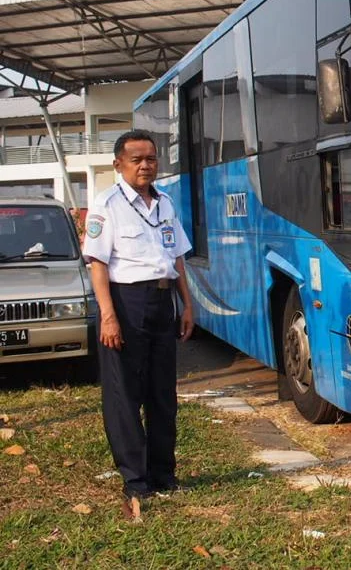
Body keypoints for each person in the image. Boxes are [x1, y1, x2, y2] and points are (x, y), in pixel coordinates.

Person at [83, 130, 194, 520]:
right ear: (118, 165)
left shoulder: (164, 203)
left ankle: (164, 473)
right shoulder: (106, 205)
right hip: (125, 304)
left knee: (163, 391)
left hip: (162, 301)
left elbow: (177, 257)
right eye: (136, 159)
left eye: (151, 158)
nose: (146, 165)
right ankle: (135, 478)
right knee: (125, 394)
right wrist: (108, 315)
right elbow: (98, 264)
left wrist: (186, 304)